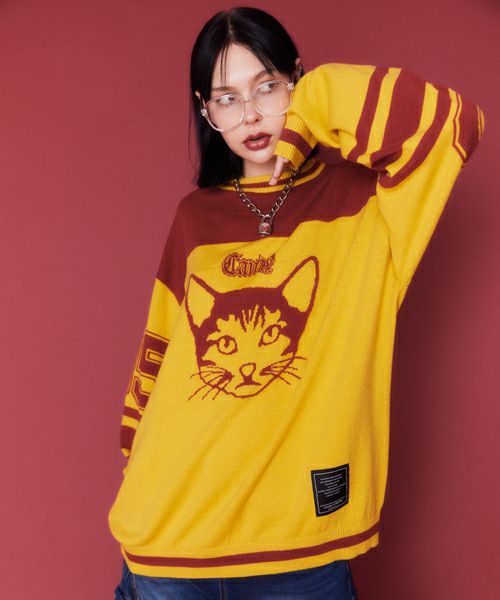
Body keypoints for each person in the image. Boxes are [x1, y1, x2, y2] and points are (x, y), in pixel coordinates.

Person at [109, 6, 485, 599]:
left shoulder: (368, 204)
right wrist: (136, 470)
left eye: (267, 86)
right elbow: (157, 357)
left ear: (297, 80)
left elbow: (451, 121)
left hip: (301, 546)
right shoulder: (195, 218)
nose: (250, 114)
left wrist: (315, 105)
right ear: (206, 111)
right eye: (226, 98)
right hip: (171, 539)